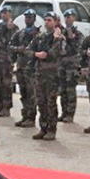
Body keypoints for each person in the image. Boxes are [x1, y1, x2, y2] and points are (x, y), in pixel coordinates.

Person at [30, 12, 67, 140]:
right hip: (40, 73)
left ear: (56, 22)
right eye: (45, 20)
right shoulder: (40, 36)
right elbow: (29, 49)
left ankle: (51, 129)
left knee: (51, 103)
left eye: (49, 20)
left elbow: (56, 53)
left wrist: (48, 50)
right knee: (41, 102)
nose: (46, 22)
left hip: (52, 75)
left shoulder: (60, 38)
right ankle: (43, 128)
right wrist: (36, 54)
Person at [11, 10, 40, 127]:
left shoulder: (37, 34)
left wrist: (29, 51)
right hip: (21, 66)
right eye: (26, 17)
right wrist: (19, 49)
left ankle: (31, 118)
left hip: (31, 68)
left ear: (34, 18)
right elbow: (10, 46)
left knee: (31, 93)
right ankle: (25, 116)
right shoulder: (20, 33)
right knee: (23, 93)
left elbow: (39, 49)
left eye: (30, 17)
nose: (28, 19)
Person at [0, 7, 18, 117]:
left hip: (7, 60)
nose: (3, 15)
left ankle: (6, 107)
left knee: (6, 84)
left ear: (10, 14)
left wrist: (10, 29)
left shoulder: (14, 28)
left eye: (5, 13)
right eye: (2, 13)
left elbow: (15, 42)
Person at [59, 9, 84, 123]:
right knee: (62, 90)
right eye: (66, 16)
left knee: (70, 90)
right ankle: (63, 112)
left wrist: (70, 36)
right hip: (61, 64)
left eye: (70, 16)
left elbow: (76, 47)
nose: (68, 18)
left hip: (71, 65)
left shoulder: (78, 34)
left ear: (74, 18)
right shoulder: (60, 32)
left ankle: (70, 114)